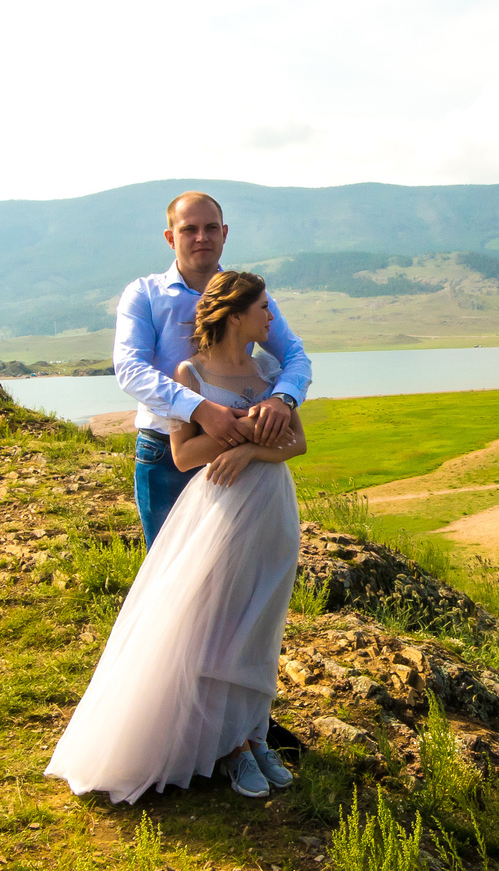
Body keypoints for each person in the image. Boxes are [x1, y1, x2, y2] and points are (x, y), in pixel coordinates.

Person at [47, 269, 308, 803]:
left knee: (260, 623)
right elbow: (184, 455)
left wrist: (249, 449)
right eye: (263, 309)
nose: (271, 318)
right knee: (214, 622)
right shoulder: (189, 374)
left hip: (272, 509)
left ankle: (254, 736)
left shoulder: (268, 373)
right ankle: (227, 750)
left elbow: (297, 443)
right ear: (236, 315)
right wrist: (227, 442)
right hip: (220, 511)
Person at [113, 191, 311, 547]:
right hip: (166, 453)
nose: (201, 237)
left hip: (241, 454)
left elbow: (295, 355)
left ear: (225, 233)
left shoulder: (249, 296)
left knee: (233, 568)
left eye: (211, 228)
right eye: (189, 229)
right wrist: (201, 410)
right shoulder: (144, 295)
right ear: (170, 237)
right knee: (171, 571)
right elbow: (129, 368)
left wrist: (283, 399)